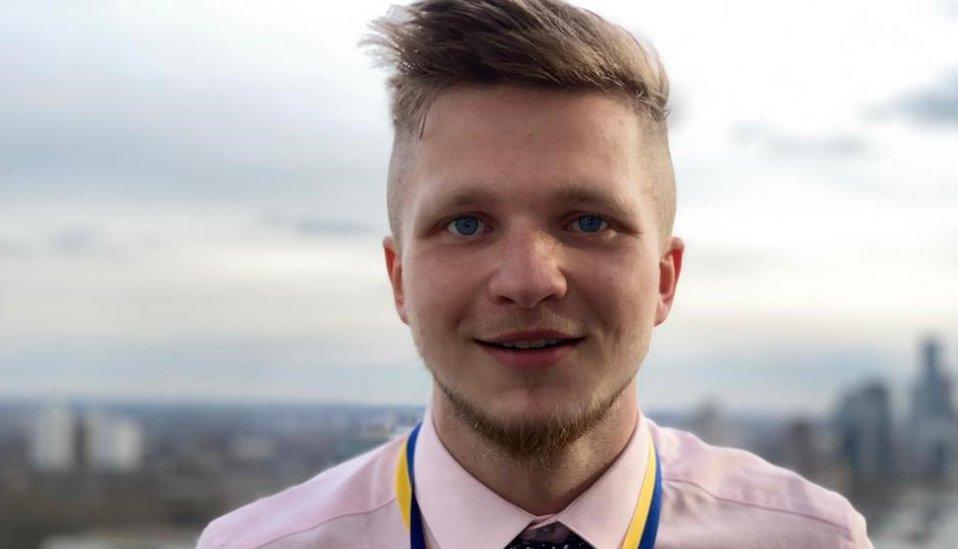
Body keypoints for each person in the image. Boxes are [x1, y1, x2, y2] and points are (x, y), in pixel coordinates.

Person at [197, 0, 873, 547]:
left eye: (587, 221)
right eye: (466, 223)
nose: (528, 280)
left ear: (665, 277)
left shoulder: (809, 539)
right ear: (399, 278)